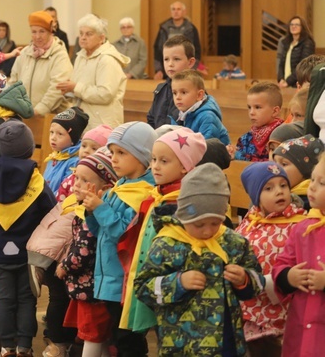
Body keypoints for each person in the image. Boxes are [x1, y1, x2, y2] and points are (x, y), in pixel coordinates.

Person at [135, 163, 264, 357]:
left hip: (226, 343)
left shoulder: (233, 242)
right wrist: (178, 282)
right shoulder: (167, 243)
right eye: (199, 224)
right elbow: (143, 288)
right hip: (181, 345)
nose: (208, 230)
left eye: (215, 222)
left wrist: (244, 279)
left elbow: (258, 282)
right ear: (184, 215)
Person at [0, 120, 57, 357]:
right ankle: (24, 346)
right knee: (27, 300)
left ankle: (6, 346)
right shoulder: (36, 181)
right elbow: (51, 214)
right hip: (27, 253)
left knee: (4, 301)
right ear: (29, 149)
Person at [121, 128, 207, 335]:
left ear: (185, 167)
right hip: (148, 275)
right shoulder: (155, 196)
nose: (155, 167)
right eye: (153, 159)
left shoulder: (184, 202)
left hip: (171, 281)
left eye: (164, 161)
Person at [84, 121, 157, 357]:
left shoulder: (143, 192)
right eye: (112, 151)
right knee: (117, 338)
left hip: (124, 281)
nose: (113, 158)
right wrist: (91, 210)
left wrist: (101, 208)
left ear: (142, 156)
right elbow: (100, 232)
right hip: (109, 279)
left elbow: (123, 234)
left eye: (121, 153)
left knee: (128, 340)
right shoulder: (121, 186)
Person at [236, 162, 308, 357]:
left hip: (285, 312)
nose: (279, 192)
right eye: (269, 188)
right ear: (255, 195)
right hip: (251, 311)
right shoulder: (248, 224)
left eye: (283, 185)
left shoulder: (301, 224)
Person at [56, 150, 119, 357]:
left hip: (91, 288)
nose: (76, 184)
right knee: (99, 336)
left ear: (105, 188)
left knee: (91, 334)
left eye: (85, 180)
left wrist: (64, 266)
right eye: (77, 178)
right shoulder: (88, 209)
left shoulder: (94, 213)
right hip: (91, 288)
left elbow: (83, 250)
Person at [273, 152, 325, 356]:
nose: (311, 187)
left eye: (322, 183)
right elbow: (282, 263)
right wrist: (289, 276)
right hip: (301, 325)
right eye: (312, 179)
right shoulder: (302, 227)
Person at [57, 14, 129, 130]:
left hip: (102, 124)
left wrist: (75, 88)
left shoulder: (107, 59)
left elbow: (105, 94)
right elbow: (78, 88)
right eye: (81, 33)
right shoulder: (81, 57)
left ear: (101, 38)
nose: (83, 37)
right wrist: (68, 91)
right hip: (82, 121)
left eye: (89, 34)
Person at [9, 11, 73, 116]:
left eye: (42, 31)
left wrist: (39, 110)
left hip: (52, 118)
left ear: (50, 32)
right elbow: (13, 82)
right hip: (24, 115)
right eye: (34, 32)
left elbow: (57, 89)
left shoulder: (59, 55)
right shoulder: (25, 53)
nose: (37, 36)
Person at [169, 69, 231, 144]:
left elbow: (205, 147)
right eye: (174, 93)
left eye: (183, 92)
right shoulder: (177, 115)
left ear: (199, 95)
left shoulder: (207, 117)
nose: (177, 97)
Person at [147, 35, 196, 129]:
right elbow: (151, 120)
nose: (170, 64)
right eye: (166, 59)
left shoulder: (195, 92)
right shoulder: (161, 90)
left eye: (176, 59)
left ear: (190, 62)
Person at [43, 107, 89, 196]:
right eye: (51, 132)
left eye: (60, 134)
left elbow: (65, 191)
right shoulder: (53, 158)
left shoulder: (74, 162)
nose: (53, 137)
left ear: (73, 139)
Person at [233, 81, 284, 162]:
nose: (251, 112)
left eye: (257, 107)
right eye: (249, 107)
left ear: (275, 111)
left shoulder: (283, 136)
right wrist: (233, 154)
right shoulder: (245, 139)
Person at [273, 135, 325, 210]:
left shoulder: (310, 202)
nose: (276, 168)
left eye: (284, 164)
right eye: (275, 163)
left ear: (305, 169)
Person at [152, 1, 202, 80]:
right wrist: (158, 70)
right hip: (166, 72)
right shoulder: (163, 28)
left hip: (186, 71)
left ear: (184, 12)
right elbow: (157, 49)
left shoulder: (191, 29)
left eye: (178, 9)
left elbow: (197, 50)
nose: (176, 12)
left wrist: (192, 68)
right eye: (173, 9)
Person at [277, 16, 315, 89]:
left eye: (297, 25)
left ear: (302, 27)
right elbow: (281, 63)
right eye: (291, 24)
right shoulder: (286, 42)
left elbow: (303, 66)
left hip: (298, 83)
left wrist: (288, 82)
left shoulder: (307, 43)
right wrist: (281, 79)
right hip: (285, 83)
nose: (293, 26)